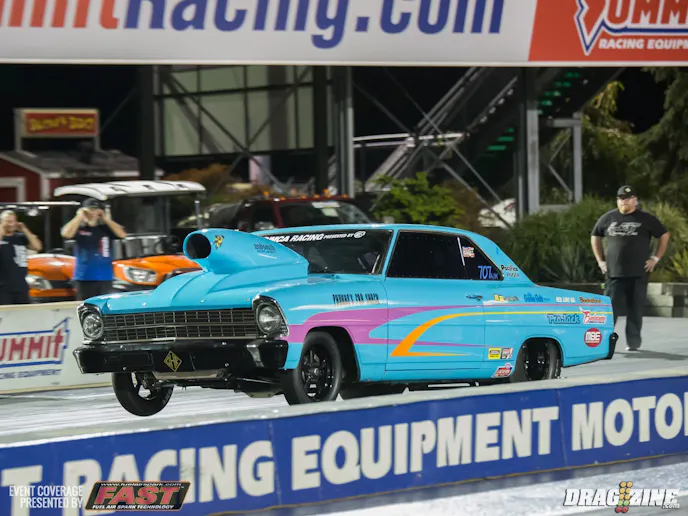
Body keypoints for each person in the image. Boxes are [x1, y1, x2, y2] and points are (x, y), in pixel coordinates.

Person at [590, 185, 670, 351]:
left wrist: (655, 258)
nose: (624, 201)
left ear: (635, 200)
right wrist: (600, 261)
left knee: (635, 309)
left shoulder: (646, 219)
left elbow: (664, 234)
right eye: (621, 198)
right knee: (609, 310)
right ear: (617, 201)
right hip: (614, 273)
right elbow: (595, 235)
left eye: (628, 198)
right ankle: (603, 341)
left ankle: (633, 343)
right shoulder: (608, 218)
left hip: (638, 273)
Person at [61, 199, 127, 301]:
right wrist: (79, 216)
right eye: (90, 210)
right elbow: (66, 233)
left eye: (95, 210)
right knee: (86, 305)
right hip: (84, 277)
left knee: (104, 306)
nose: (92, 213)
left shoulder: (106, 229)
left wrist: (105, 219)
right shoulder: (80, 229)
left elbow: (122, 234)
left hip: (105, 277)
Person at [0, 210, 43, 304]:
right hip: (3, 287)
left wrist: (25, 229)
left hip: (21, 285)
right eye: (8, 221)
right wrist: (1, 231)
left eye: (13, 221)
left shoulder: (20, 238)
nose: (11, 224)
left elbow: (37, 247)